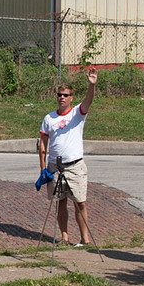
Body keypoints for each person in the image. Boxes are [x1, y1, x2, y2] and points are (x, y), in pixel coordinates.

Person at [38, 69, 98, 246]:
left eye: (65, 95)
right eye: (59, 95)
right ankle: (64, 237)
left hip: (75, 166)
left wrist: (91, 85)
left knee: (80, 202)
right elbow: (43, 143)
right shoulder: (49, 118)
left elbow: (88, 101)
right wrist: (42, 168)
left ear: (71, 97)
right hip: (55, 166)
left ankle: (84, 239)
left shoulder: (77, 114)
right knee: (60, 202)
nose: (62, 98)